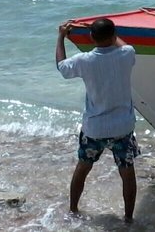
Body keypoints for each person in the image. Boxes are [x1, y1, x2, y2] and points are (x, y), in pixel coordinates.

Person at [56, 18, 138, 223]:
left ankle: (73, 210)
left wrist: (61, 37)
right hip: (122, 127)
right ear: (113, 35)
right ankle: (128, 218)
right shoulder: (127, 54)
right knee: (127, 173)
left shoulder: (83, 60)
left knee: (83, 167)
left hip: (95, 128)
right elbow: (122, 44)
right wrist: (110, 34)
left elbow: (61, 67)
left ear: (91, 37)